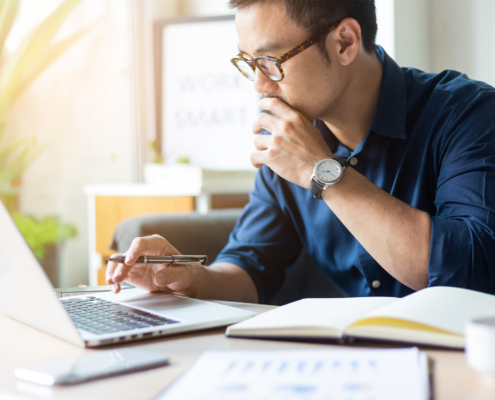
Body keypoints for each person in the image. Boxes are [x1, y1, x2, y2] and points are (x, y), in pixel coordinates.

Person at [106, 0, 495, 303]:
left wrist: (319, 169)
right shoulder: (289, 138)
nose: (259, 85)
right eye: (248, 62)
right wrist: (190, 278)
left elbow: (466, 269)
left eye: (271, 61)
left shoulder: (469, 114)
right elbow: (251, 268)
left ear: (345, 42)